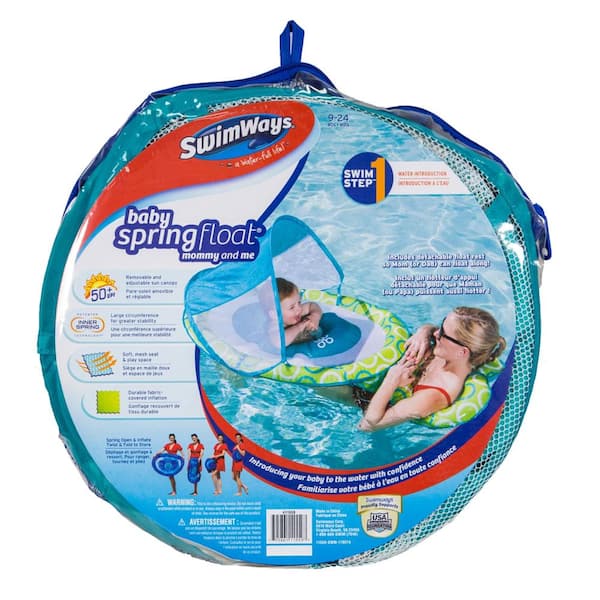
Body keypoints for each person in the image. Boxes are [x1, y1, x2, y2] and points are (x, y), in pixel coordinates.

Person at [358, 307, 506, 431]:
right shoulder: (448, 352)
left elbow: (369, 424)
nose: (436, 333)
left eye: (442, 333)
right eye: (441, 325)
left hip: (363, 400)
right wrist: (424, 332)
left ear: (462, 352)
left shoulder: (432, 396)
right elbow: (434, 329)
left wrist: (392, 379)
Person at [276, 277, 323, 346]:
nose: (299, 309)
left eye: (299, 302)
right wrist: (298, 327)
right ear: (275, 313)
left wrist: (315, 316)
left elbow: (312, 305)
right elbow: (279, 342)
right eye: (292, 307)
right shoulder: (274, 326)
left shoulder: (297, 312)